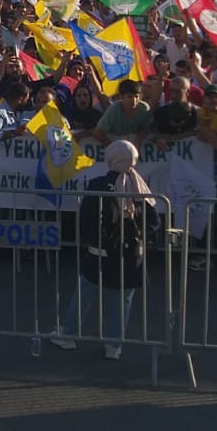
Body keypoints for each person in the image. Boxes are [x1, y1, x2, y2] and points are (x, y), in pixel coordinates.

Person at [51, 139, 159, 361]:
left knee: (86, 291)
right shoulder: (141, 187)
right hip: (131, 254)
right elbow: (153, 221)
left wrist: (95, 239)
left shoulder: (98, 184)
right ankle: (114, 345)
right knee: (123, 298)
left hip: (100, 252)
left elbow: (86, 218)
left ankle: (69, 334)